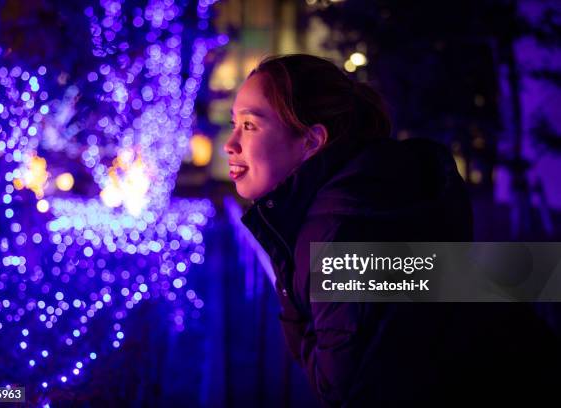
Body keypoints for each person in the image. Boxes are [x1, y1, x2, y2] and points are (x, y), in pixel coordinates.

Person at [224, 54, 559, 407]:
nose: (230, 144)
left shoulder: (341, 228)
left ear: (311, 141)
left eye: (249, 126)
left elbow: (339, 389)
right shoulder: (373, 189)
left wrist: (290, 289)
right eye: (234, 123)